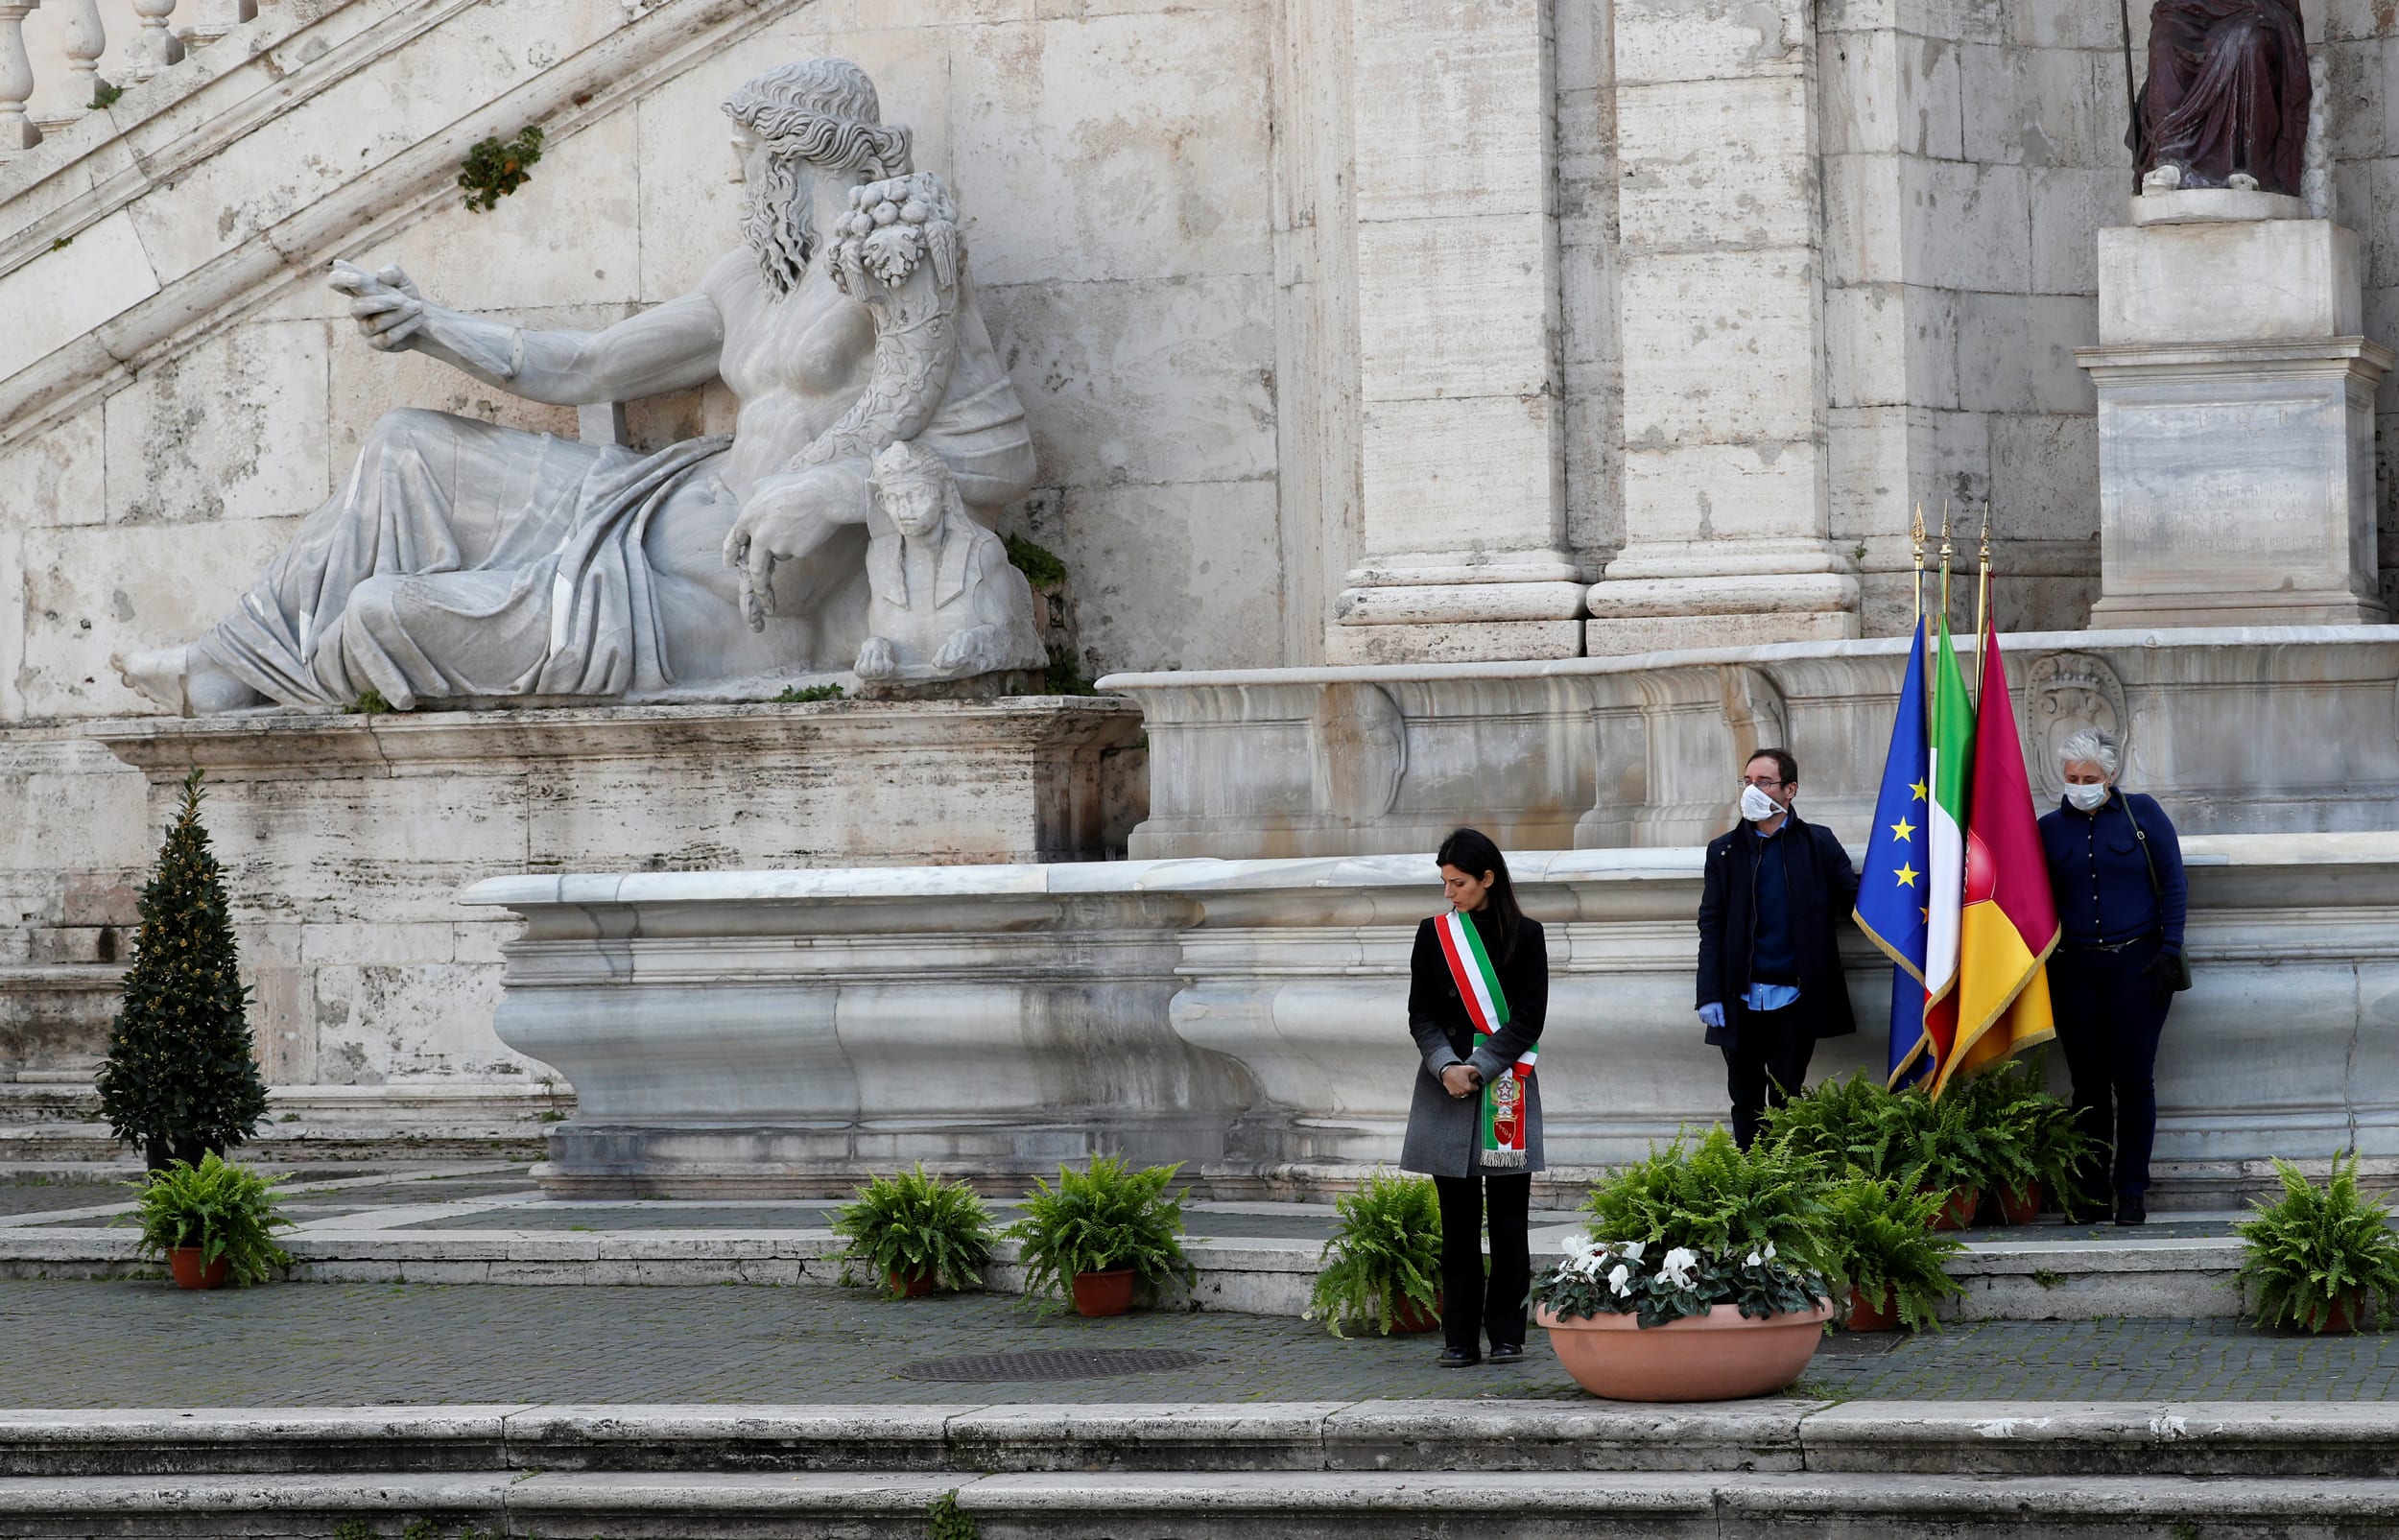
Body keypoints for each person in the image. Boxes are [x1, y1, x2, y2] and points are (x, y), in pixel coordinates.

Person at [1399, 828, 1547, 1369]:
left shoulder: (1527, 936)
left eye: (1458, 882)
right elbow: (1421, 1014)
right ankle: (1458, 1338)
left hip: (1504, 1086)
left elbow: (1530, 1018)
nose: (1449, 894)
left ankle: (1508, 1334)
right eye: (1444, 883)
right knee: (1456, 1226)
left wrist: (1480, 1069)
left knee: (1509, 1222)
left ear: (1488, 878)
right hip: (1446, 1090)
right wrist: (1445, 1066)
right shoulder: (1433, 934)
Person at [2038, 727, 2186, 1226]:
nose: (2079, 785)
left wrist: (2168, 952)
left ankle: (2132, 1190)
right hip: (2075, 969)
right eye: (2072, 777)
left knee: (2135, 1082)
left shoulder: (2142, 815)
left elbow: (2174, 881)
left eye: (2090, 778)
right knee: (2088, 1087)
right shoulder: (2047, 829)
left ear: (2111, 775)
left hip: (2138, 966)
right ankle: (2091, 1192)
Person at [1695, 747, 1859, 1149]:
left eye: (1764, 782)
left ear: (1790, 790)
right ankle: (1750, 1183)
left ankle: (1784, 1182)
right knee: (1744, 1098)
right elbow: (1711, 925)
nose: (1752, 789)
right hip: (1741, 999)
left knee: (1787, 1097)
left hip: (1795, 996)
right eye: (1747, 781)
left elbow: (1857, 901)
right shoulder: (1725, 851)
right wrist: (1710, 993)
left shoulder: (1817, 843)